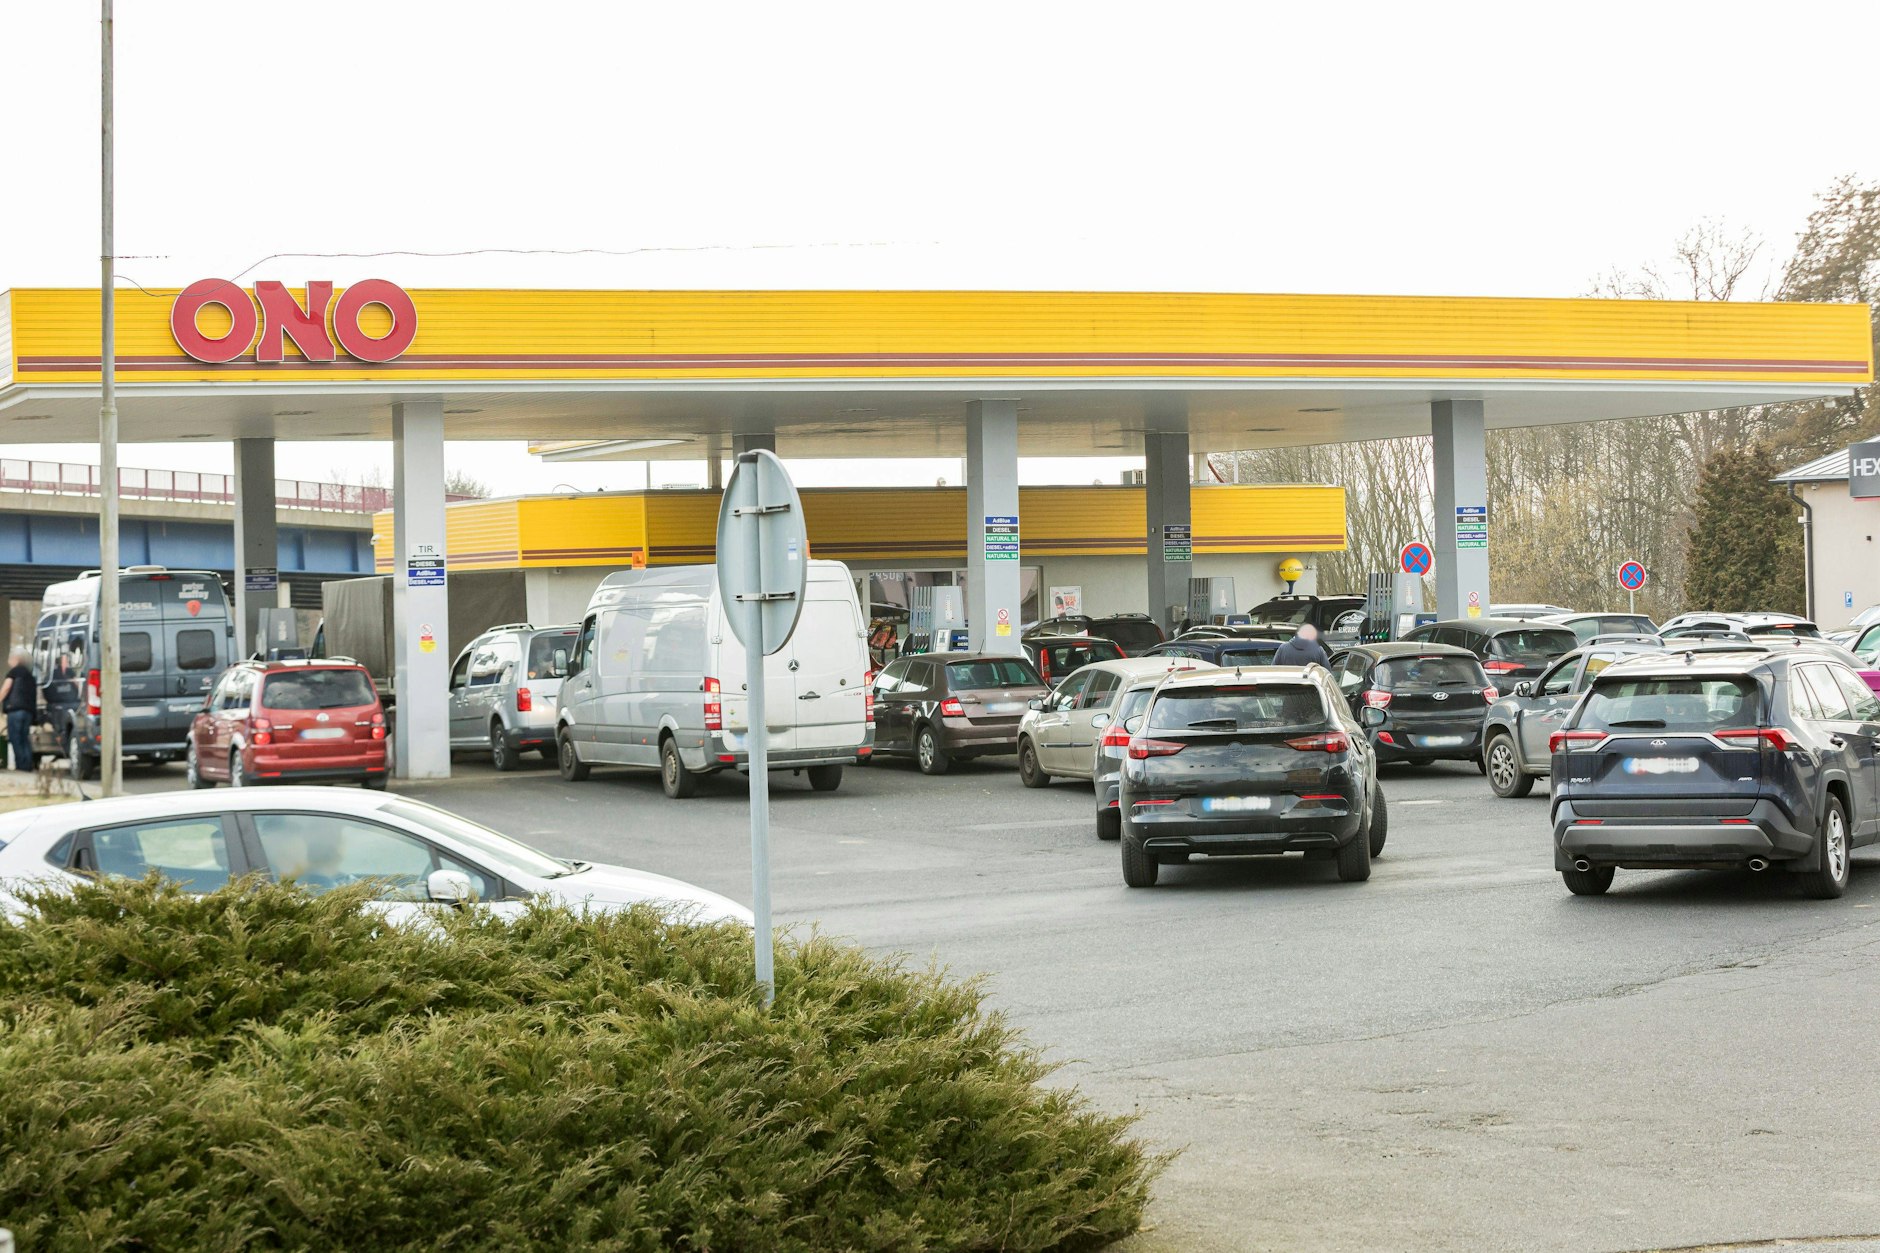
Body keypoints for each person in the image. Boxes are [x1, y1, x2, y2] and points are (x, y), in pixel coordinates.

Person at [1, 651, 38, 772]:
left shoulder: (14, 672)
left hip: (15, 710)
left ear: (15, 659)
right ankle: (27, 764)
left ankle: (21, 766)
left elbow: (6, 688)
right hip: (28, 711)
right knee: (24, 737)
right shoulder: (30, 675)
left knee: (15, 738)